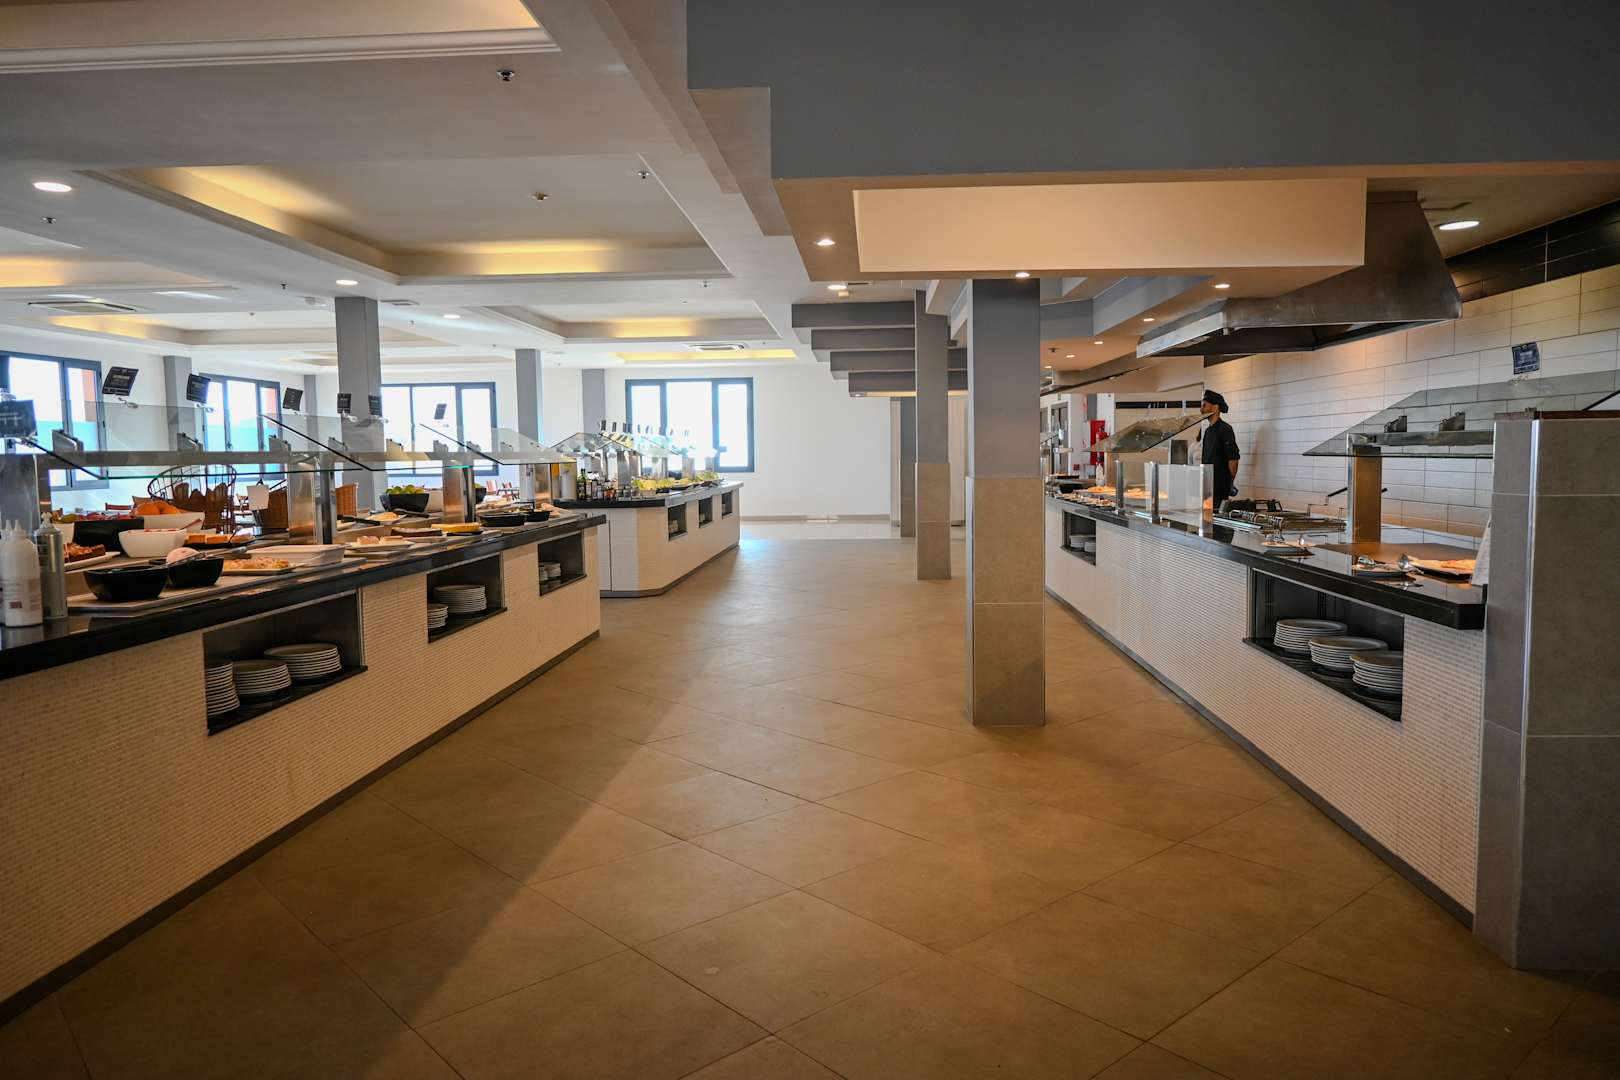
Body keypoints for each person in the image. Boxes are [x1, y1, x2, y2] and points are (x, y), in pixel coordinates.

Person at [1199, 389, 1240, 510]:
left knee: (1216, 519)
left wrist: (1228, 483)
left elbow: (1233, 459)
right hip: (1207, 487)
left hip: (1220, 489)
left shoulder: (1225, 429)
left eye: (1204, 405)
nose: (1201, 409)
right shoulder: (1208, 431)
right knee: (1206, 518)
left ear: (1215, 407)